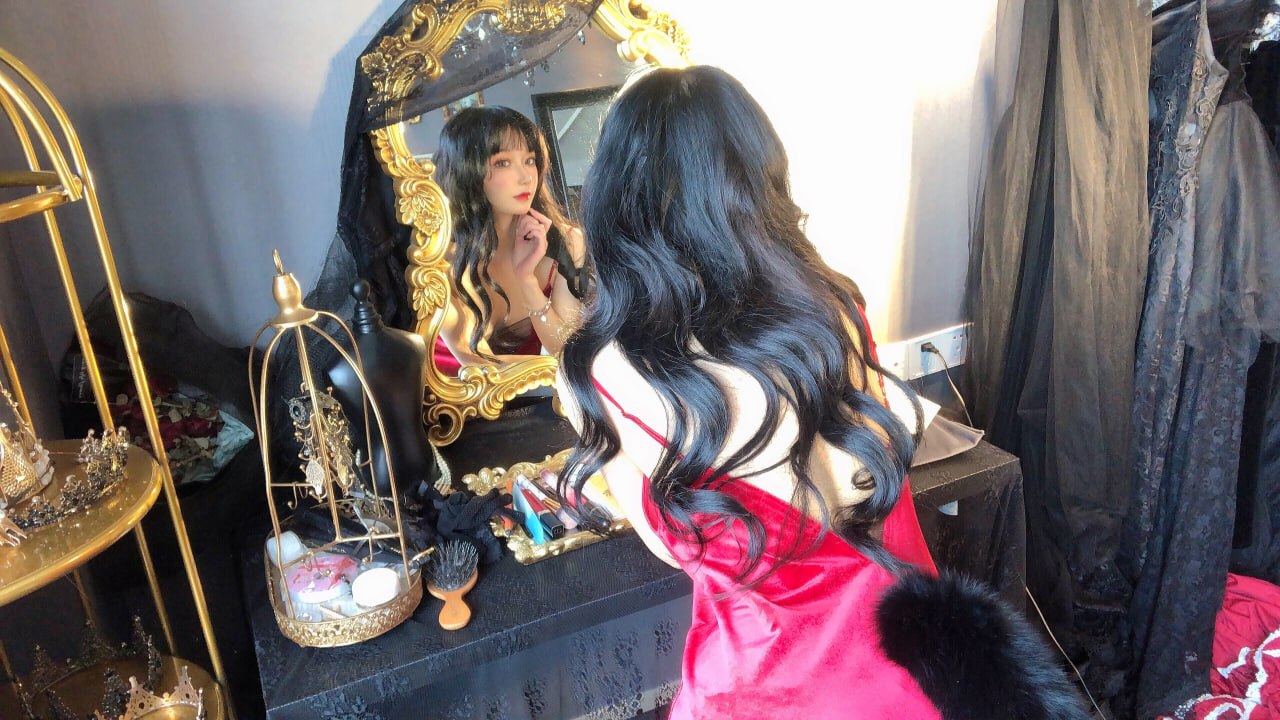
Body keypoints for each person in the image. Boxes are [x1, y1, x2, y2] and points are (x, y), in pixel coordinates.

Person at [555, 66, 1088, 719]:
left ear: (615, 197)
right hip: (911, 672)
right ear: (761, 178)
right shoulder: (835, 310)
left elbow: (674, 550)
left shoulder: (599, 373)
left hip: (764, 694)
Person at [432, 106, 585, 375]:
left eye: (530, 160)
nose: (526, 177)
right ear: (466, 171)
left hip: (536, 394)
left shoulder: (566, 242)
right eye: (502, 163)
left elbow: (565, 349)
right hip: (453, 397)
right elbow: (478, 365)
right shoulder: (439, 261)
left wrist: (527, 280)